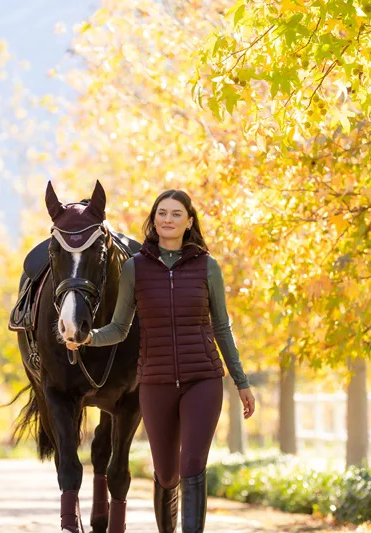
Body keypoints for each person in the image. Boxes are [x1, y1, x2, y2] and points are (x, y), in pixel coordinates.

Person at [69, 189, 256, 533]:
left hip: (203, 379)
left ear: (189, 222)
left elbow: (222, 328)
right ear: (154, 220)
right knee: (167, 473)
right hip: (155, 382)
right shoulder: (134, 268)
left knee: (192, 465)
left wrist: (241, 381)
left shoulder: (207, 267)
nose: (167, 219)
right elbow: (120, 327)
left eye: (175, 214)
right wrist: (89, 337)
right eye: (162, 213)